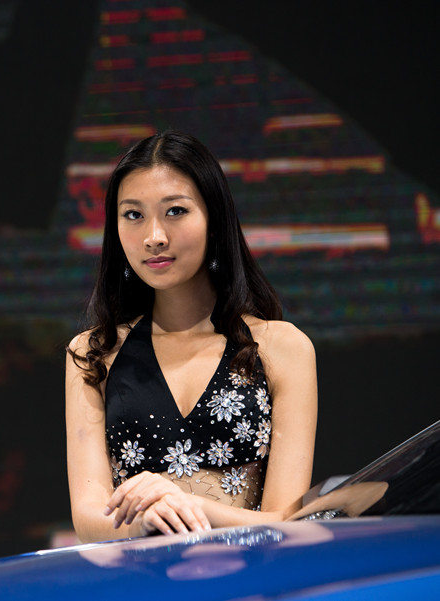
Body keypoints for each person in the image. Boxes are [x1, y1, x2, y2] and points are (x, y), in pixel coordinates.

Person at [65, 131, 317, 542]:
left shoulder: (282, 348)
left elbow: (289, 523)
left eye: (176, 211)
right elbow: (90, 519)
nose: (154, 236)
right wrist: (148, 518)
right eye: (133, 215)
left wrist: (189, 506)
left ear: (214, 221)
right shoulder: (95, 354)